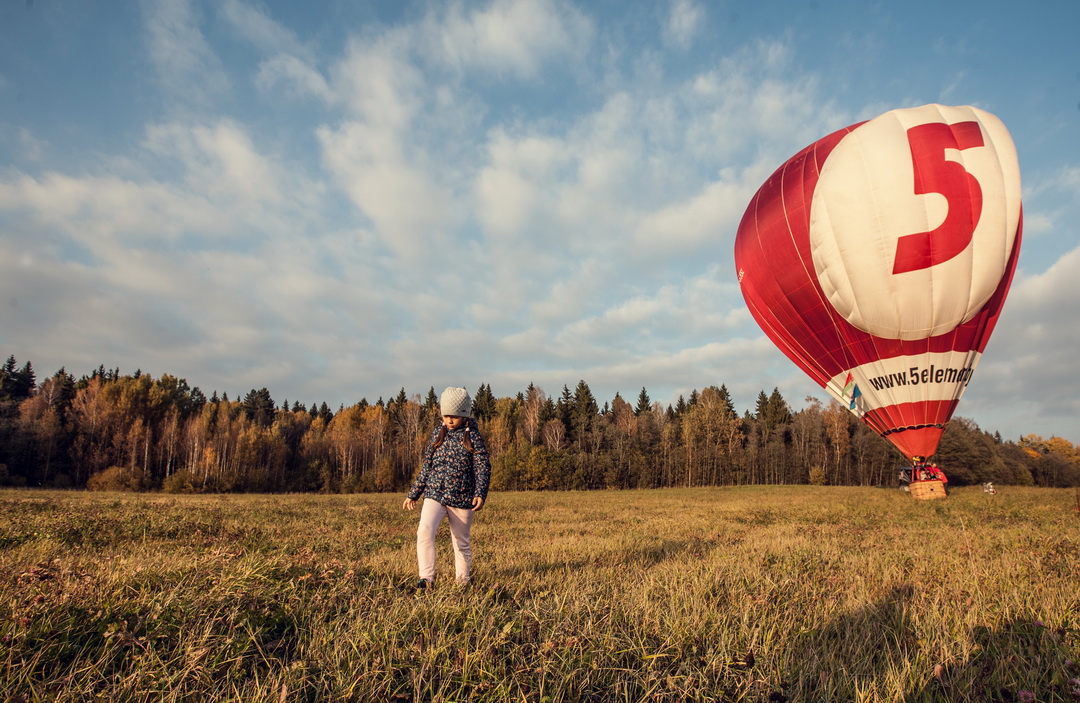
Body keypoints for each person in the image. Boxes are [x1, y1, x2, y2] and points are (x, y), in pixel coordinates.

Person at [403, 386, 491, 590]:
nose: (450, 420)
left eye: (455, 416)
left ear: (464, 414)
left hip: (463, 498)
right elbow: (427, 466)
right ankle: (426, 579)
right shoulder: (437, 433)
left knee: (461, 542)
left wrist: (480, 493)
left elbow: (483, 467)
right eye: (446, 415)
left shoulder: (474, 436)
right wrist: (414, 493)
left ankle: (462, 581)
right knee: (424, 531)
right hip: (434, 494)